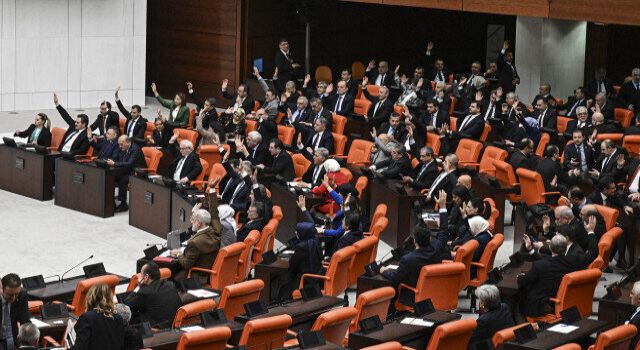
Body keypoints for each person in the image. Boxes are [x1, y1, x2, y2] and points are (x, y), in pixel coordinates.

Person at [381, 191, 450, 307]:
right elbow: (444, 231)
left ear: (414, 241)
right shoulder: (437, 247)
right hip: (434, 292)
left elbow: (396, 277)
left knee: (390, 285)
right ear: (429, 239)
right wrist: (443, 207)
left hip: (413, 295)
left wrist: (383, 270)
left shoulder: (408, 259)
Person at [172, 182, 223, 283]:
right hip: (209, 272)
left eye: (193, 219)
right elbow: (214, 213)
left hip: (197, 276)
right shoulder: (216, 230)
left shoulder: (195, 242)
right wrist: (212, 189)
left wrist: (178, 254)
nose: (191, 221)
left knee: (172, 277)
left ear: (199, 223)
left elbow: (186, 264)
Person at [517, 235, 574, 318]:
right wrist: (530, 249)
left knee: (517, 304)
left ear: (550, 247)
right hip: (564, 302)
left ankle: (526, 328)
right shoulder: (571, 264)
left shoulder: (541, 266)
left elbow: (524, 282)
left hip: (542, 305)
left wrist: (519, 277)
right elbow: (545, 261)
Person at [123, 262, 181, 328]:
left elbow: (126, 304)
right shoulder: (170, 285)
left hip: (155, 328)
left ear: (146, 277)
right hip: (173, 324)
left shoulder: (145, 292)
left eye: (141, 274)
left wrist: (139, 287)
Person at [69, 284, 124, 350]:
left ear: (90, 298)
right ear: (110, 298)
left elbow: (80, 347)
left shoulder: (87, 318)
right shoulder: (118, 318)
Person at [279, 222, 323, 301]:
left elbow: (293, 265)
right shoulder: (316, 241)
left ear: (303, 232)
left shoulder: (301, 246)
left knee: (282, 286)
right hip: (317, 277)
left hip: (304, 279)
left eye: (297, 230)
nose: (296, 232)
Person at [107, 135, 147, 212]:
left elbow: (129, 163)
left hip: (137, 171)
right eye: (119, 144)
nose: (119, 146)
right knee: (110, 176)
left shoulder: (135, 149)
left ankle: (123, 204)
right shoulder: (124, 147)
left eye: (121, 144)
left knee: (122, 180)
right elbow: (119, 159)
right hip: (127, 169)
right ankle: (110, 201)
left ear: (128, 142)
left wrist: (114, 164)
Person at [0, 274, 30, 350]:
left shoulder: (22, 294)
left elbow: (25, 320)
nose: (13, 298)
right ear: (2, 289)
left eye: (16, 294)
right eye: (10, 295)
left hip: (12, 338)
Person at [626, 281, 640, 350]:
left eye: (632, 293)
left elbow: (628, 341)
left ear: (639, 299)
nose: (630, 295)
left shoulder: (637, 320)